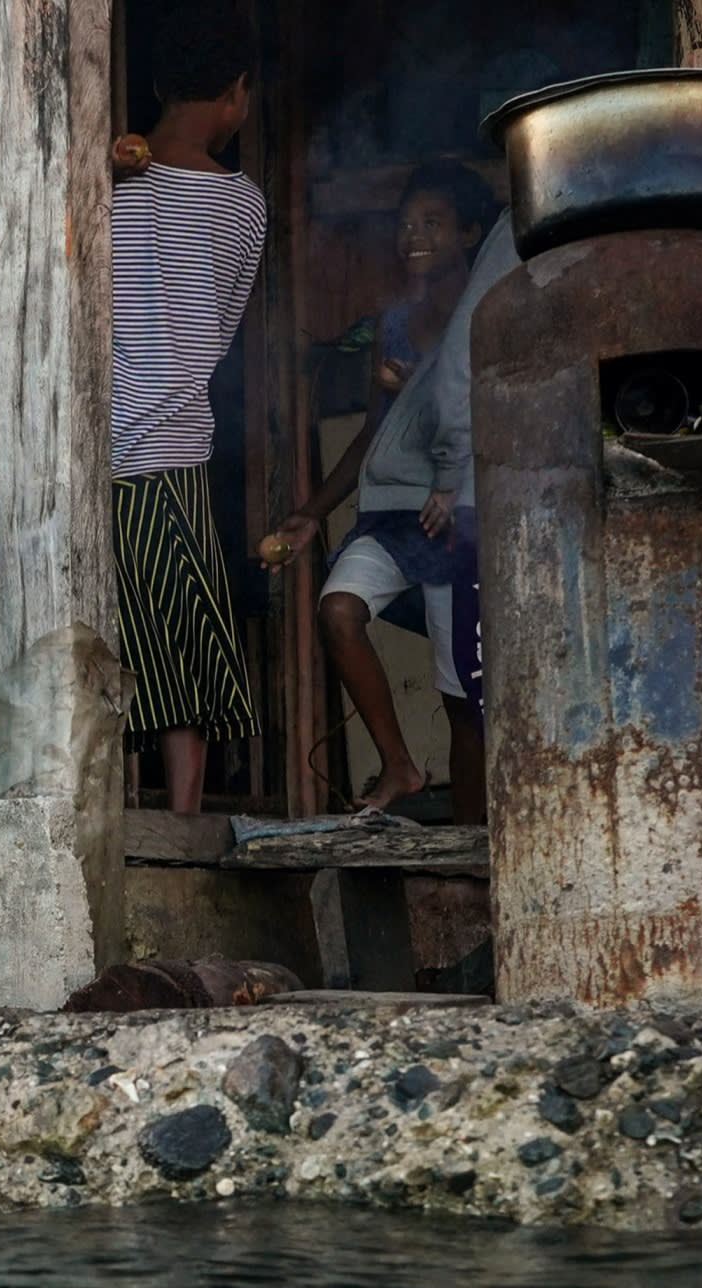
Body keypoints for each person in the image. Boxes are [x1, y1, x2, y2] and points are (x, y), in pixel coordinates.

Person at [264, 161, 516, 819]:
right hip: (388, 513)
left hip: (452, 521)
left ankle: (468, 840)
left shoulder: (493, 315)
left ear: (468, 232)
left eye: (432, 222)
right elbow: (374, 436)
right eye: (406, 224)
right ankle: (401, 765)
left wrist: (428, 404)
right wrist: (312, 513)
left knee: (463, 698)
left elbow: (497, 417)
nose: (414, 235)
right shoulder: (395, 322)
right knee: (338, 611)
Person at [110, 19, 269, 816]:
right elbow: (223, 330)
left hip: (83, 450)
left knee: (110, 631)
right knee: (187, 635)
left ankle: (109, 805)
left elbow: (1, 285)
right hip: (175, 443)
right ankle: (182, 817)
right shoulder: (243, 206)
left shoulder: (98, 183)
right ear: (236, 93)